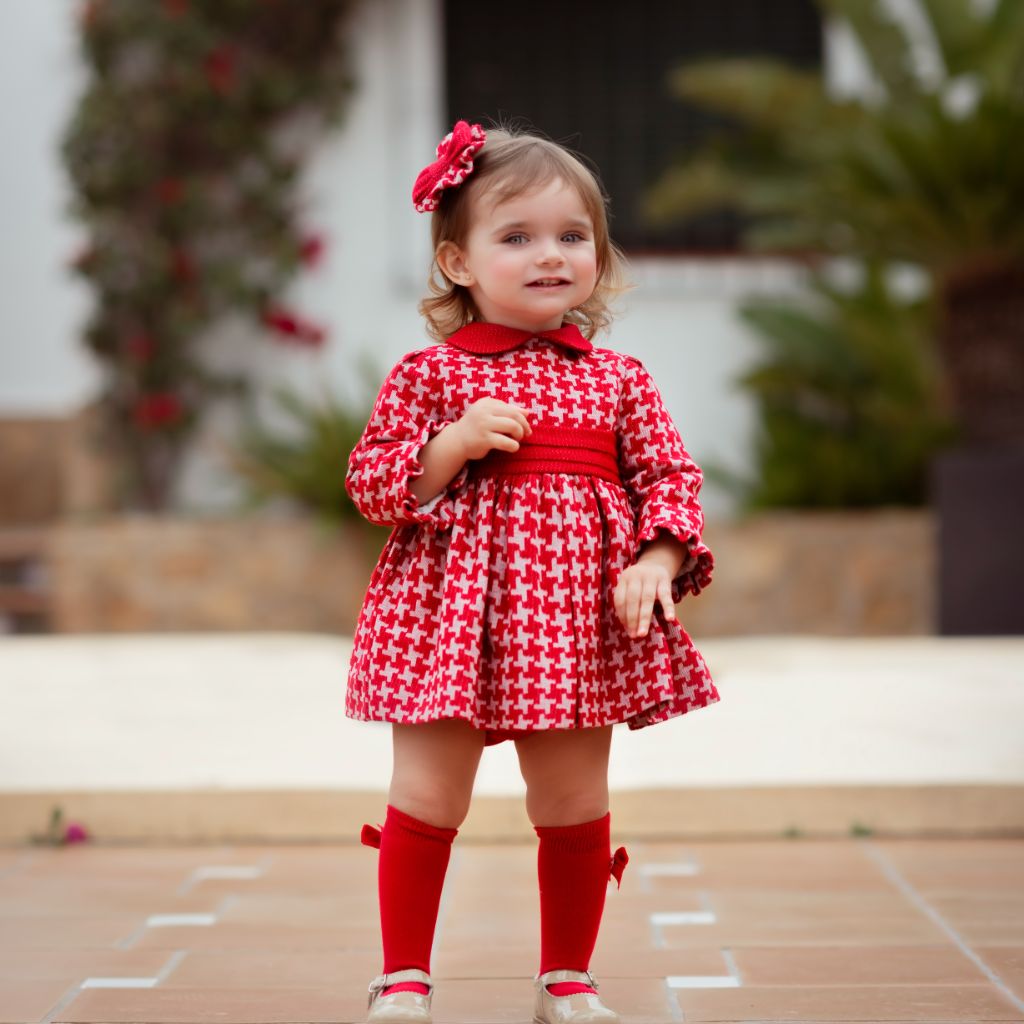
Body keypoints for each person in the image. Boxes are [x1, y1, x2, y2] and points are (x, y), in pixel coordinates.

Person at [344, 118, 719, 1024]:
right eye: (515, 237)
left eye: (571, 236)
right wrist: (452, 444)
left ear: (598, 253)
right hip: (449, 617)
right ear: (458, 263)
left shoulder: (617, 380)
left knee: (573, 797)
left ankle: (567, 976)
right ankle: (402, 976)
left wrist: (657, 557)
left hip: (575, 617)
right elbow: (372, 482)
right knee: (429, 793)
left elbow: (669, 477)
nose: (549, 256)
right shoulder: (429, 375)